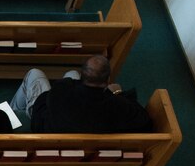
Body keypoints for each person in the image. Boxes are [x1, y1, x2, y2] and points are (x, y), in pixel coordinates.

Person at [9, 55, 151, 133]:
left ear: (83, 75)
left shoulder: (63, 89)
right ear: (107, 80)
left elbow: (42, 101)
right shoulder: (116, 105)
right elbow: (143, 118)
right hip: (83, 140)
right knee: (71, 73)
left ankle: (10, 117)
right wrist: (118, 92)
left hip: (47, 130)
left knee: (35, 73)